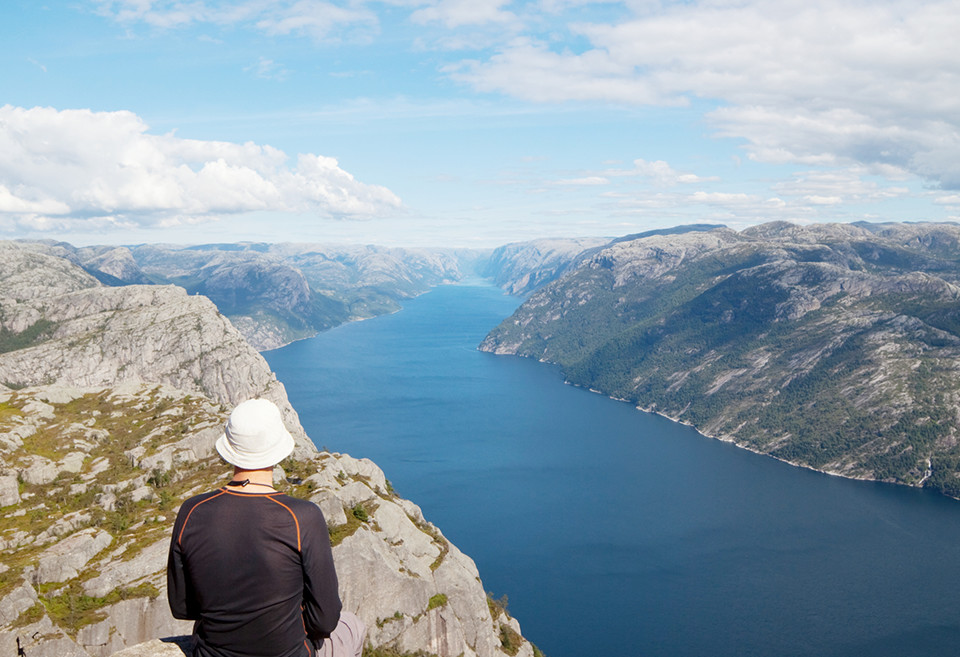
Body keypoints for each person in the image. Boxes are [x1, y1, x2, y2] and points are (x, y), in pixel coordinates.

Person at [167, 397, 366, 657]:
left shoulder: (191, 511)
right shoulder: (302, 517)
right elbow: (325, 621)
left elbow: (183, 608)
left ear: (230, 448)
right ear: (277, 449)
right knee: (353, 627)